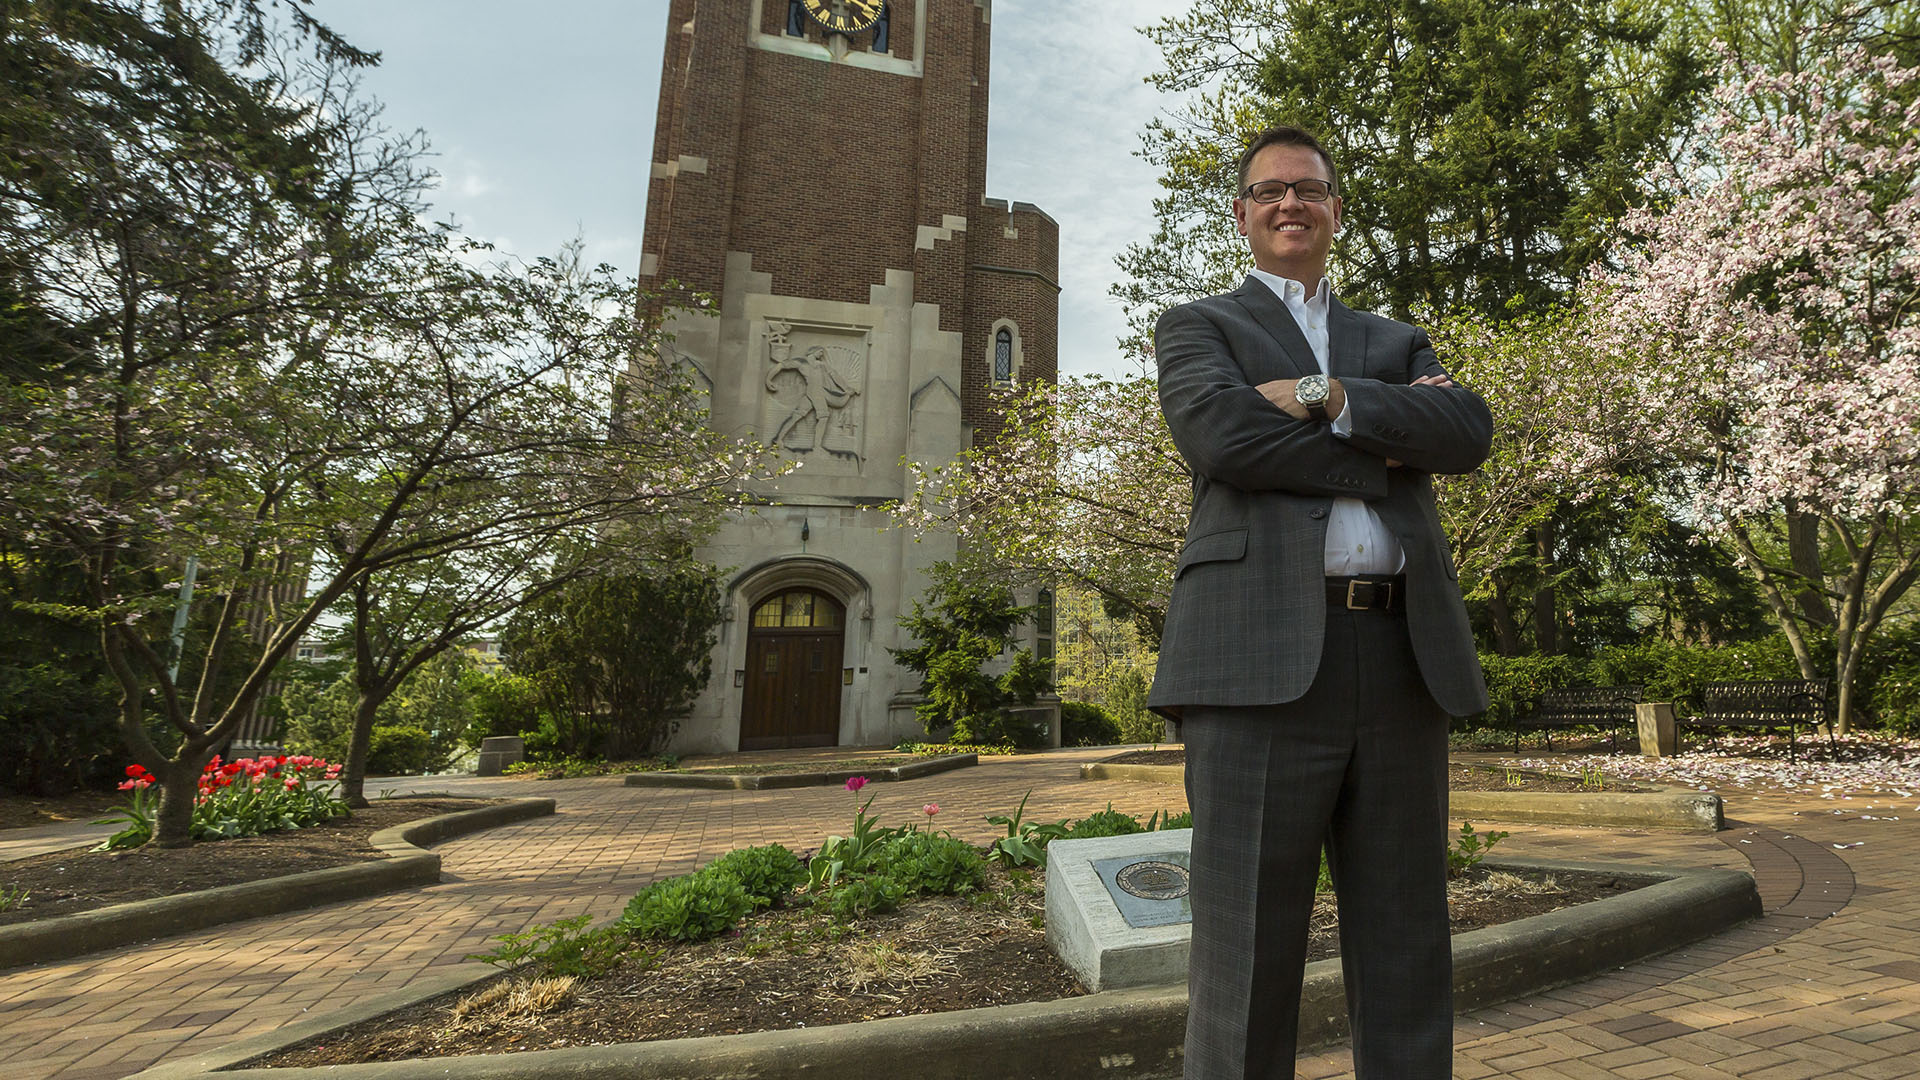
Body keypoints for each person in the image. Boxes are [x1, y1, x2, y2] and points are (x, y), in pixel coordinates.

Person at [1148, 125, 1494, 1079]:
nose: (1290, 204)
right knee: (1246, 953)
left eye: (1309, 189)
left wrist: (1320, 392)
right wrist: (1384, 439)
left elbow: (1464, 431)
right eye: (1270, 192)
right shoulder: (1198, 327)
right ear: (1243, 215)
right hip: (1252, 665)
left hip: (1402, 658)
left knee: (1408, 940)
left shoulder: (1393, 338)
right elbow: (1222, 441)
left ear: (1336, 210)